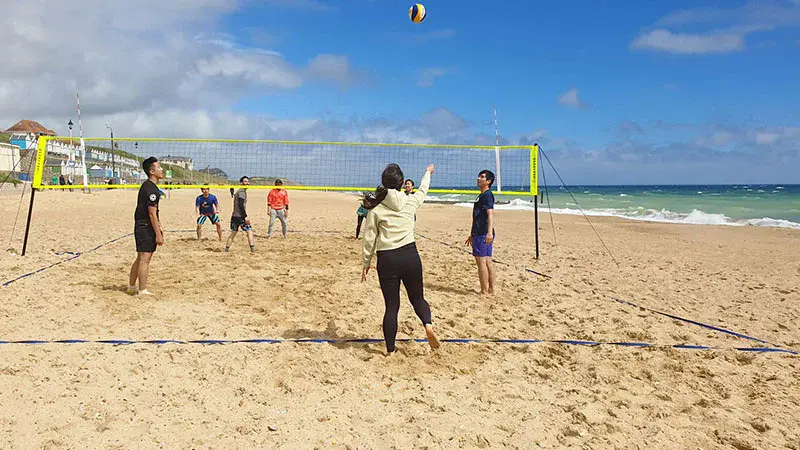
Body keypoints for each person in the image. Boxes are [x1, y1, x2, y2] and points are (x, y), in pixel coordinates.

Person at [361, 163, 440, 355]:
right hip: (409, 256)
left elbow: (370, 237)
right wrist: (427, 172)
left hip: (387, 259)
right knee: (417, 298)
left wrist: (366, 263)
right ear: (402, 183)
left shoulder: (376, 208)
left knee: (392, 307)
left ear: (383, 183)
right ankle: (428, 324)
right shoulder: (410, 200)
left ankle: (390, 350)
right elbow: (423, 189)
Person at [127, 157, 165, 295]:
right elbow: (152, 214)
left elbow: (154, 213)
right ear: (151, 171)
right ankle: (142, 290)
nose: (162, 169)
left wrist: (159, 227)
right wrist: (158, 234)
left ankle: (131, 286)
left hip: (141, 225)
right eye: (159, 167)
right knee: (145, 258)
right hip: (145, 226)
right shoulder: (151, 190)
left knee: (140, 257)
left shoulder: (148, 186)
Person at [464, 169, 496, 295]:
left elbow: (490, 214)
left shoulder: (487, 195)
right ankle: (490, 289)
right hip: (479, 232)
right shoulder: (483, 195)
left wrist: (489, 232)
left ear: (488, 181)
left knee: (482, 262)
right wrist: (472, 234)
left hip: (483, 233)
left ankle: (484, 290)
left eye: (482, 177)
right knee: (487, 261)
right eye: (479, 176)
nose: (478, 178)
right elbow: (477, 216)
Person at [225, 176, 255, 253]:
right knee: (249, 231)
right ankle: (252, 250)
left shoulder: (239, 191)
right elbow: (241, 205)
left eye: (248, 181)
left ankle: (227, 249)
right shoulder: (242, 192)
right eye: (245, 181)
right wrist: (245, 217)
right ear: (241, 183)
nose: (247, 183)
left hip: (234, 216)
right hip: (240, 216)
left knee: (233, 232)